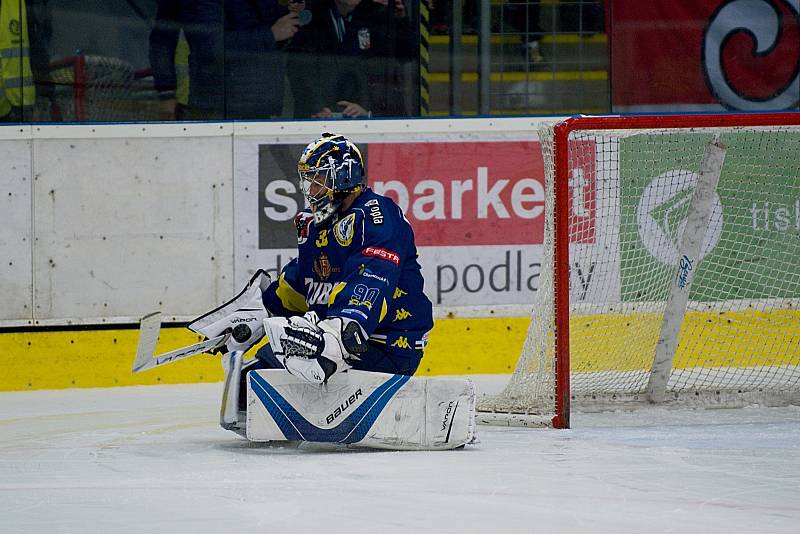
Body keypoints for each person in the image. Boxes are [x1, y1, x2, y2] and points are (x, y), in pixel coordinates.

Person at [248, 133, 434, 386]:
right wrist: (257, 314)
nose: (311, 191)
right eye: (308, 182)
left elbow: (372, 279)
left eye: (319, 182)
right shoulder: (319, 223)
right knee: (248, 380)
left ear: (345, 177)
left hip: (386, 346)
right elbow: (303, 281)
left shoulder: (377, 216)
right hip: (342, 340)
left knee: (283, 370)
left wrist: (339, 333)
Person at [286, 0, 373, 118]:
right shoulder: (309, 15)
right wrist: (317, 108)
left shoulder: (372, 15)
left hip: (360, 118)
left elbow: (375, 67)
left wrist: (366, 109)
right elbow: (299, 67)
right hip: (316, 118)